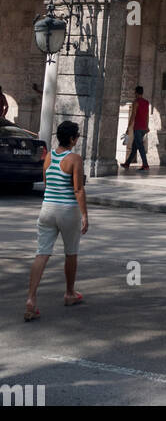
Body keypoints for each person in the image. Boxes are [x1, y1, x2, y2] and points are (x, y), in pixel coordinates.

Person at [24, 120, 88, 320]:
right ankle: (70, 293)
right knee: (71, 252)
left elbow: (46, 182)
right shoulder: (75, 159)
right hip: (68, 210)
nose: (77, 139)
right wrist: (85, 214)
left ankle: (31, 299)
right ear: (71, 138)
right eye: (76, 136)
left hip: (47, 208)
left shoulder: (49, 156)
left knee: (41, 253)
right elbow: (78, 189)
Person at [123, 86, 150, 171]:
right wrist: (147, 126)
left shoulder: (136, 102)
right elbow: (147, 115)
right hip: (143, 127)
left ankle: (145, 165)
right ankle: (127, 163)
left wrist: (128, 127)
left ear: (136, 93)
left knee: (140, 147)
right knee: (135, 147)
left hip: (138, 128)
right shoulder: (146, 102)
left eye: (135, 92)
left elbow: (133, 116)